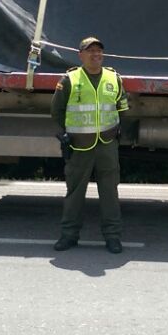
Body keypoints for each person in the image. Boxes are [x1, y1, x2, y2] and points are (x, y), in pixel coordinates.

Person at [52, 37, 130, 253]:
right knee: (75, 193)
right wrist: (68, 133)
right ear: (81, 55)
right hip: (79, 146)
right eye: (90, 51)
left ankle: (113, 237)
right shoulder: (69, 79)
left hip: (107, 145)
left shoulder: (114, 78)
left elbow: (122, 107)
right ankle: (69, 235)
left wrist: (116, 132)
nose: (95, 54)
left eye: (99, 51)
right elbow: (56, 111)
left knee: (110, 194)